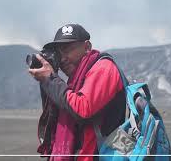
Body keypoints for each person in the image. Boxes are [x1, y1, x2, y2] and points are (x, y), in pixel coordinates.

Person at [29, 24, 127, 161]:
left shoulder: (103, 68)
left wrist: (50, 79)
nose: (62, 59)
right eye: (59, 53)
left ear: (87, 47)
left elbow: (83, 109)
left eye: (68, 50)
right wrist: (47, 82)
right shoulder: (77, 81)